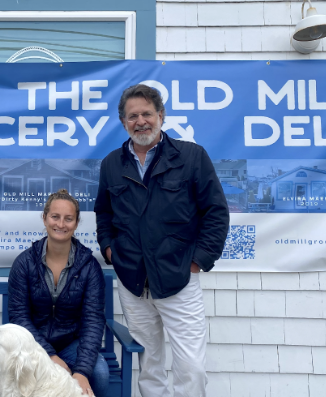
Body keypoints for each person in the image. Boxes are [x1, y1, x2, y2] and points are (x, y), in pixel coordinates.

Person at [94, 84, 229, 397]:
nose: (141, 121)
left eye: (147, 114)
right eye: (132, 116)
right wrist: (111, 250)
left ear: (161, 116)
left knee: (191, 367)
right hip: (132, 282)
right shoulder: (112, 164)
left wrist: (198, 260)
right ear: (123, 121)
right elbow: (103, 213)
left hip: (179, 277)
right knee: (149, 365)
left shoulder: (192, 157)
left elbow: (216, 212)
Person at [8, 189, 109, 397]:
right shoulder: (24, 263)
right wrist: (50, 356)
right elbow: (19, 317)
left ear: (77, 222)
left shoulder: (90, 267)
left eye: (68, 219)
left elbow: (93, 321)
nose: (61, 224)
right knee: (19, 376)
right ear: (44, 218)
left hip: (72, 344)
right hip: (32, 346)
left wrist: (81, 371)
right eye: (55, 217)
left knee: (99, 373)